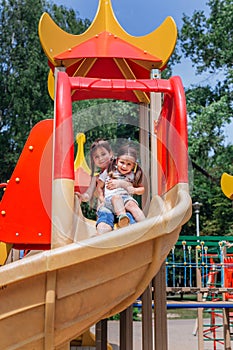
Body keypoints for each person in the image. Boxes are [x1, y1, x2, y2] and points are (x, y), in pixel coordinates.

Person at [77, 139, 135, 234]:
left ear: (111, 153)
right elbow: (89, 193)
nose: (101, 158)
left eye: (103, 154)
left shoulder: (120, 171)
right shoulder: (96, 178)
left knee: (131, 218)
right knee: (104, 220)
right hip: (105, 208)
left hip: (122, 207)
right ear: (93, 160)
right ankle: (103, 237)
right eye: (96, 157)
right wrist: (82, 197)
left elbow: (131, 186)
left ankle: (134, 235)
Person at [97, 145, 145, 228]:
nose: (124, 166)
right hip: (110, 200)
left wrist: (133, 190)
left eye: (128, 164)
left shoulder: (131, 175)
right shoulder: (109, 171)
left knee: (132, 204)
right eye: (122, 162)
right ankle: (123, 218)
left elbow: (142, 189)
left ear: (133, 166)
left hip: (126, 199)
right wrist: (102, 200)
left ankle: (145, 224)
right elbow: (99, 187)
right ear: (117, 161)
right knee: (116, 198)